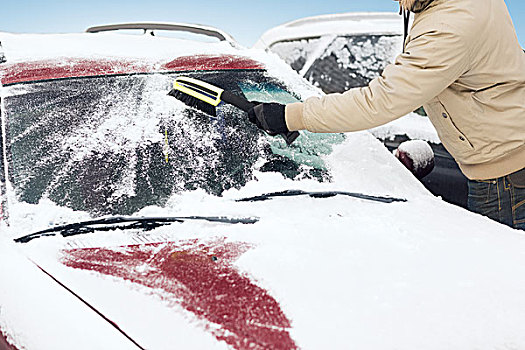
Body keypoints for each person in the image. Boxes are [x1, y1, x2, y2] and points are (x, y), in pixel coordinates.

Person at [248, 0, 525, 230]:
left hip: (505, 177)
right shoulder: (455, 6)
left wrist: (291, 116)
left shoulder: (450, 25)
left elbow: (381, 101)